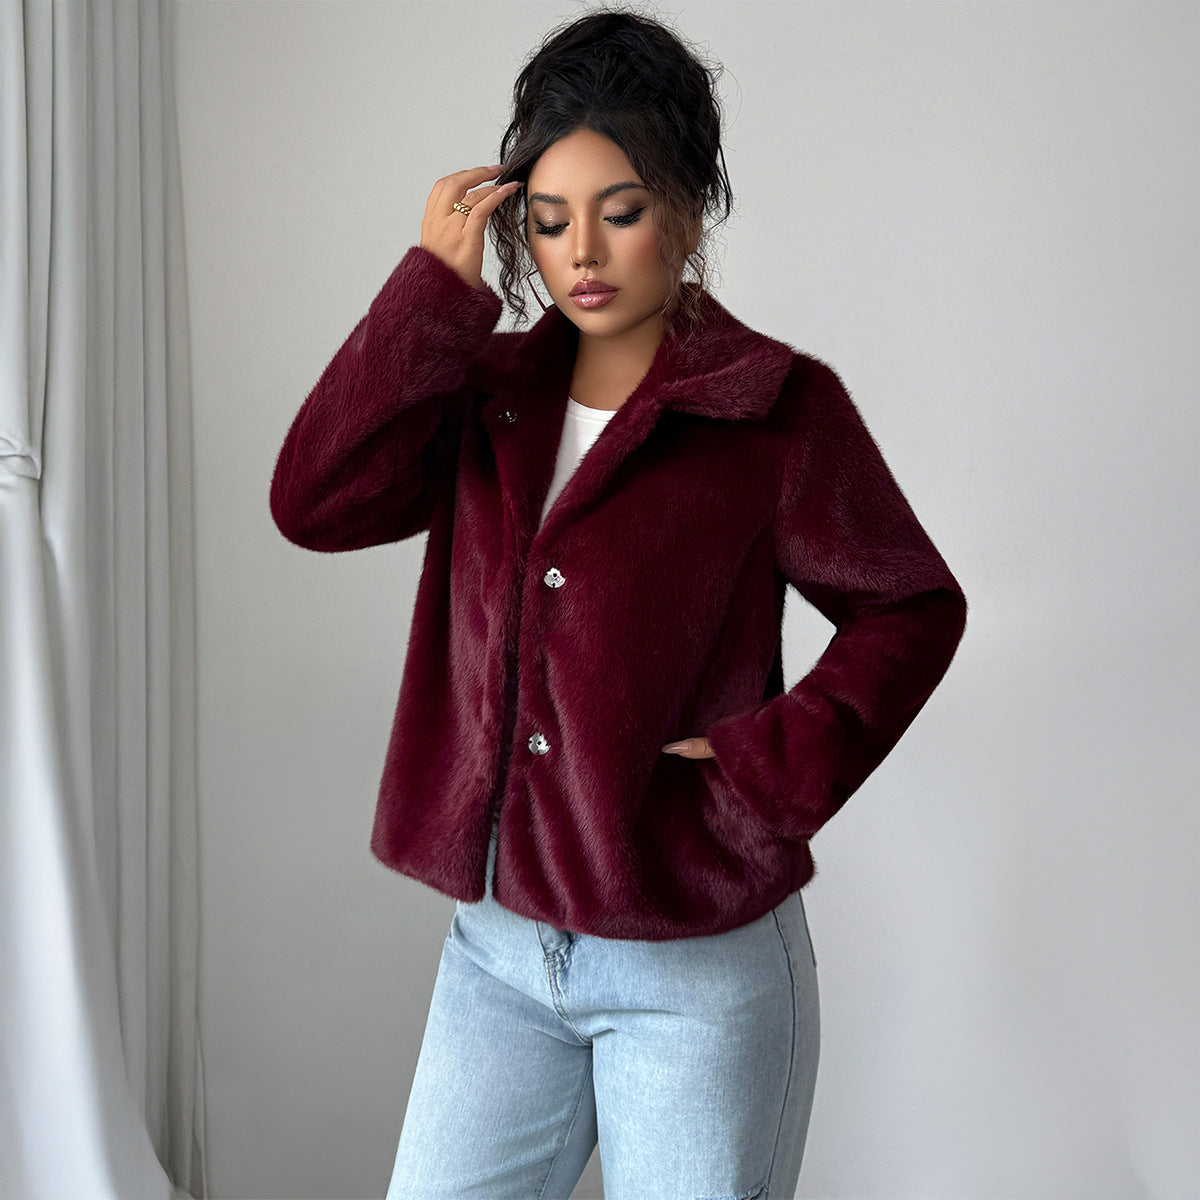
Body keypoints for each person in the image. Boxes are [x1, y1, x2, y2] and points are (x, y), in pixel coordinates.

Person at [269, 10, 967, 1199]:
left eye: (622, 211)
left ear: (687, 211)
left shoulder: (775, 410)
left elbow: (909, 606)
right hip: (496, 953)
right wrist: (428, 296)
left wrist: (762, 767)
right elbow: (316, 501)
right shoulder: (486, 394)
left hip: (692, 963)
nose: (582, 251)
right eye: (548, 221)